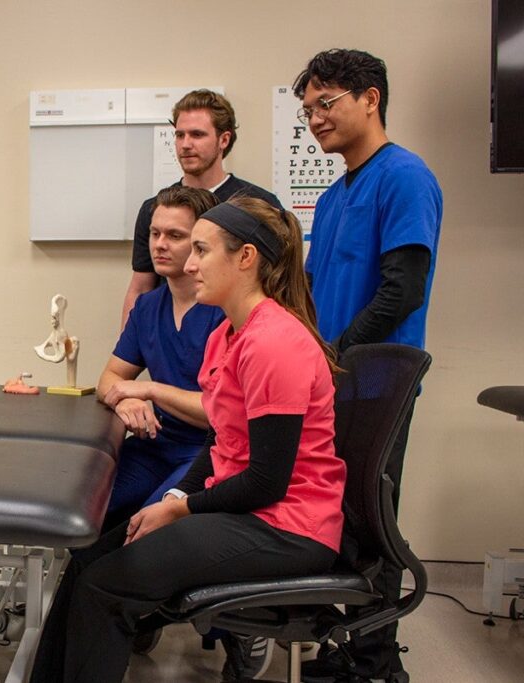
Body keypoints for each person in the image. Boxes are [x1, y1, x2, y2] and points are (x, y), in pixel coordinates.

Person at [29, 197, 346, 683]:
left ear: (245, 259)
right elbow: (220, 443)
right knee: (89, 560)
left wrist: (178, 510)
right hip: (249, 511)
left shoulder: (274, 342)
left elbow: (267, 481)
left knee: (105, 588)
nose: (189, 263)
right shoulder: (229, 336)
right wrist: (178, 495)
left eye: (200, 249)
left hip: (288, 527)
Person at [293, 49, 442, 683]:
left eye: (326, 104)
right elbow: (310, 291)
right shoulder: (330, 199)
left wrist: (338, 354)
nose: (315, 120)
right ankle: (344, 648)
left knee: (371, 516)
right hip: (331, 377)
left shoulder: (404, 177)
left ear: (370, 98)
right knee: (335, 516)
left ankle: (378, 664)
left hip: (375, 378)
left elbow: (402, 289)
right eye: (307, 111)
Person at [97, 185, 223, 532]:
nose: (160, 244)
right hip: (157, 444)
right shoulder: (149, 307)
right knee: (86, 506)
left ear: (200, 244)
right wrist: (123, 402)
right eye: (155, 233)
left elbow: (221, 412)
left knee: (144, 529)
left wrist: (148, 391)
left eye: (175, 235)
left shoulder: (224, 312)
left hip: (207, 453)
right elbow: (108, 378)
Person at [121, 89, 283, 327]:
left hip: (240, 335)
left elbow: (279, 284)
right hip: (175, 336)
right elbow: (141, 286)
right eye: (179, 135)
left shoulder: (258, 205)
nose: (185, 145)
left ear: (223, 140)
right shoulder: (156, 209)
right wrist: (127, 347)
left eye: (197, 135)